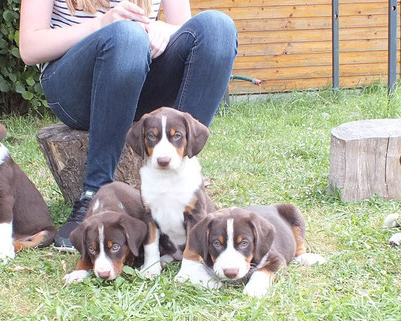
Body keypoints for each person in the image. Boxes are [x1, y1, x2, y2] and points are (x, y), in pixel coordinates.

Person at [19, 0, 237, 250]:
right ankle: (94, 197)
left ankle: (185, 190)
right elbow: (29, 48)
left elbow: (184, 27)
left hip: (142, 75)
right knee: (127, 34)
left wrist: (166, 30)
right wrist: (102, 24)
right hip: (74, 90)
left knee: (218, 27)